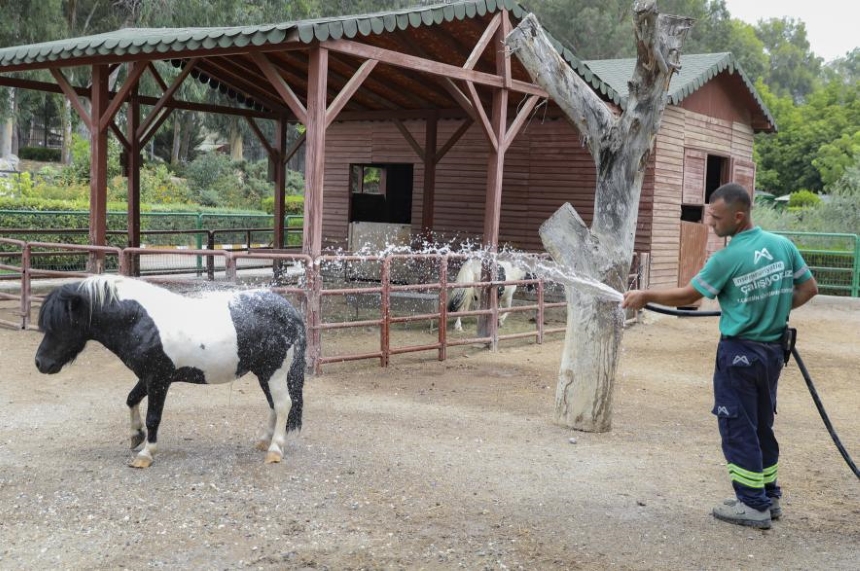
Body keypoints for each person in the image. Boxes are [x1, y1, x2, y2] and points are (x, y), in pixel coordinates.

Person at [622, 182, 818, 529]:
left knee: (737, 425)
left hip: (739, 353)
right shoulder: (783, 246)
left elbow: (688, 294)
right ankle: (768, 497)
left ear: (739, 216)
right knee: (761, 425)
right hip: (773, 351)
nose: (710, 223)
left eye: (716, 217)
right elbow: (809, 288)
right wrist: (770, 311)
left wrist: (644, 295)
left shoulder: (726, 258)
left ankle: (751, 505)